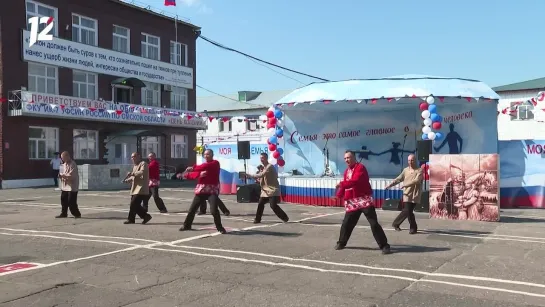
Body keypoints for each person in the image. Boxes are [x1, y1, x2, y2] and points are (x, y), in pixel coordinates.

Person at [333, 150, 390, 254]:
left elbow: (354, 181)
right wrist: (338, 195)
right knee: (347, 223)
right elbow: (346, 185)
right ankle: (341, 242)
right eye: (345, 158)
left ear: (354, 158)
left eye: (348, 157)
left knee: (373, 223)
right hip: (353, 201)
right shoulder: (346, 171)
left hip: (364, 199)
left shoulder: (360, 168)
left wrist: (341, 184)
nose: (346, 160)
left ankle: (384, 246)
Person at [179, 149, 226, 234]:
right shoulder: (203, 166)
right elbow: (196, 174)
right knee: (192, 209)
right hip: (202, 190)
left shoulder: (215, 163)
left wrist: (192, 168)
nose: (206, 156)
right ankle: (187, 225)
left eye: (208, 154)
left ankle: (220, 227)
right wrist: (186, 175)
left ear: (212, 155)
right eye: (205, 154)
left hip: (212, 191)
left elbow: (202, 167)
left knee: (214, 210)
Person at [245, 153, 289, 224]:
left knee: (273, 206)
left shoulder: (269, 167)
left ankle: (285, 217)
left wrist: (249, 175)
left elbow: (261, 175)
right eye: (260, 158)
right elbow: (262, 178)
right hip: (265, 191)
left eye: (262, 158)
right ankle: (257, 219)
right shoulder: (264, 168)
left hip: (272, 190)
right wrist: (258, 179)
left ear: (266, 158)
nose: (261, 160)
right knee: (260, 204)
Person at [385, 154, 422, 234]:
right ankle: (412, 228)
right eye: (409, 160)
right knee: (408, 210)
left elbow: (417, 181)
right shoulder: (405, 170)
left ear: (415, 160)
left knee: (409, 211)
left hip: (415, 194)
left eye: (412, 160)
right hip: (407, 194)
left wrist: (405, 184)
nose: (410, 162)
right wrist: (389, 185)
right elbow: (399, 179)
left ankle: (396, 224)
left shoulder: (419, 170)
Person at [123, 152, 152, 225]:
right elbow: (133, 177)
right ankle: (132, 219)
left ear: (139, 156)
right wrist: (127, 180)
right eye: (132, 157)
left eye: (134, 156)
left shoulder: (143, 164)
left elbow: (141, 172)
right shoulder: (135, 166)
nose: (133, 158)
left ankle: (145, 216)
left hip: (141, 188)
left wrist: (132, 174)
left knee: (134, 203)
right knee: (133, 205)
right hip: (135, 188)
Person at [56, 151, 81, 219]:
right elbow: (61, 174)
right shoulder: (63, 165)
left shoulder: (73, 164)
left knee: (71, 202)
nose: (62, 159)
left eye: (63, 158)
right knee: (63, 200)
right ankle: (64, 213)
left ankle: (77, 214)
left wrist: (64, 176)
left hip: (72, 187)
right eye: (61, 158)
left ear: (67, 156)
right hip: (64, 186)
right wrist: (60, 176)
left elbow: (72, 176)